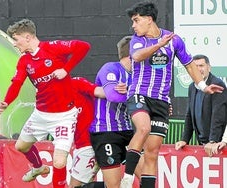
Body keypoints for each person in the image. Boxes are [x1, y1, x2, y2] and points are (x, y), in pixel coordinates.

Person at [120, 2, 224, 188]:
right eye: (133, 22)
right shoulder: (137, 40)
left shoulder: (174, 40)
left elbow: (189, 64)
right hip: (139, 94)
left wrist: (202, 85)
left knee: (152, 153)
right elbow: (137, 56)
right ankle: (127, 177)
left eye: (136, 20)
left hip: (161, 101)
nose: (133, 26)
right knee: (143, 128)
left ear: (149, 19)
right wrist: (158, 45)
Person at [0, 18, 91, 187]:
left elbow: (84, 46)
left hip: (64, 116)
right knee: (21, 146)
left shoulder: (53, 48)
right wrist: (6, 102)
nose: (15, 44)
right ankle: (39, 168)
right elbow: (16, 83)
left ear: (27, 37)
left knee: (60, 162)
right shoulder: (24, 61)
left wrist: (65, 69)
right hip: (40, 115)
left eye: (16, 40)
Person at [89, 36, 134, 188]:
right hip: (106, 132)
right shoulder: (111, 68)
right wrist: (135, 94)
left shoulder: (137, 76)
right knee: (114, 184)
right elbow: (113, 96)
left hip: (128, 131)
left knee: (147, 174)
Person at [175, 55, 227, 151]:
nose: (199, 69)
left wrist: (213, 141)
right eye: (196, 67)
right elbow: (189, 115)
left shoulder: (217, 84)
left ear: (209, 67)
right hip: (202, 143)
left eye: (201, 66)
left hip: (217, 145)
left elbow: (218, 115)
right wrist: (184, 140)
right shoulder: (192, 87)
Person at [68, 77, 105, 188]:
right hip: (79, 145)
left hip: (90, 143)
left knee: (75, 186)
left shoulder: (76, 83)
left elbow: (99, 92)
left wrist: (122, 90)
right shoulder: (51, 98)